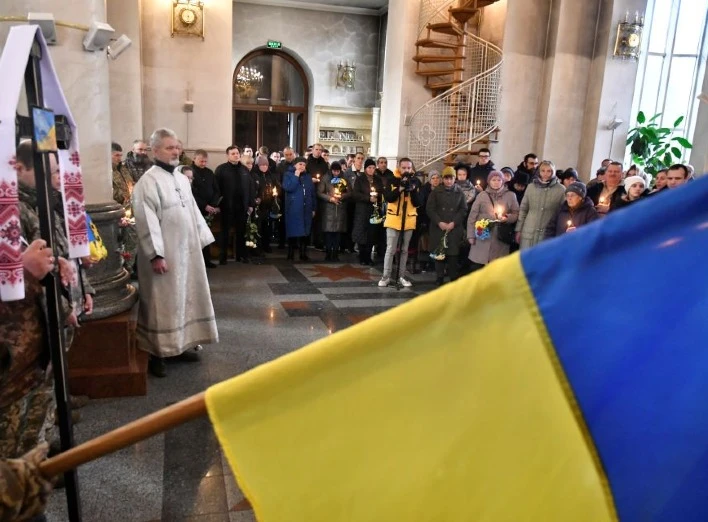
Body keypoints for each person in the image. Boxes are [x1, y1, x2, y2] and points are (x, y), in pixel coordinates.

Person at [132, 128, 218, 378]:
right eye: (170, 147)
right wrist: (156, 254)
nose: (176, 151)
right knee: (162, 304)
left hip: (186, 253)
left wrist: (201, 241)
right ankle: (157, 353)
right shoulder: (147, 182)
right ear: (155, 150)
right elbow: (146, 221)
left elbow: (191, 211)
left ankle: (179, 346)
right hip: (164, 257)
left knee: (184, 299)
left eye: (177, 147)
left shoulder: (181, 178)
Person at [378, 158, 421, 288]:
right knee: (390, 249)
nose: (406, 170)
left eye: (409, 168)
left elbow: (418, 202)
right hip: (393, 219)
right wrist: (400, 188)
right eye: (404, 168)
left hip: (408, 219)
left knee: (404, 250)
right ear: (399, 167)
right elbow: (389, 198)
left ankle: (401, 276)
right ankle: (386, 277)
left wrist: (412, 191)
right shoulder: (392, 180)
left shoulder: (416, 182)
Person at [467, 170, 519, 271]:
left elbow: (516, 213)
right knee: (479, 267)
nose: (496, 182)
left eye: (499, 180)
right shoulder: (482, 195)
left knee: (496, 268)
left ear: (503, 181)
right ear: (489, 181)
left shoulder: (510, 195)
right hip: (482, 236)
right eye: (493, 180)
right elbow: (472, 216)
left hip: (499, 237)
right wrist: (470, 235)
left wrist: (507, 218)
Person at [426, 168, 468, 286]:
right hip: (439, 227)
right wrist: (439, 222)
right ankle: (439, 276)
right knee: (440, 252)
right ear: (443, 179)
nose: (449, 181)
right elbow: (430, 209)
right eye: (446, 178)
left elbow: (463, 209)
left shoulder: (459, 192)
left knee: (453, 254)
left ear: (455, 179)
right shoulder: (435, 192)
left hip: (454, 228)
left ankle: (453, 276)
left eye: (451, 178)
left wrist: (454, 223)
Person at [215, 146, 255, 264]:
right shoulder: (221, 169)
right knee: (225, 232)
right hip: (227, 206)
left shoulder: (244, 169)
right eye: (233, 154)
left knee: (241, 232)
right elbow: (216, 188)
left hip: (242, 207)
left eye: (237, 153)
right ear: (227, 155)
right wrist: (217, 204)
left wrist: (250, 204)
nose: (236, 155)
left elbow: (250, 188)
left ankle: (241, 255)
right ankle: (223, 257)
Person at [515, 160, 565, 250]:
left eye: (549, 171)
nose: (545, 173)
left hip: (548, 232)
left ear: (553, 172)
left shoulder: (561, 190)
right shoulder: (531, 187)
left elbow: (563, 212)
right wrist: (519, 229)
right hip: (529, 231)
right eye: (543, 170)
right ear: (539, 171)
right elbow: (523, 209)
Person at [111, 142, 138, 275]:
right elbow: (109, 192)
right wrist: (122, 197)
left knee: (131, 241)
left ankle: (129, 267)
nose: (119, 158)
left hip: (129, 210)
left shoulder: (123, 169)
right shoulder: (106, 171)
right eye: (116, 155)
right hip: (116, 212)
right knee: (118, 243)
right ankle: (119, 270)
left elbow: (130, 184)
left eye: (120, 155)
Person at [190, 149, 221, 268]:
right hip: (197, 209)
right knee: (196, 237)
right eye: (201, 161)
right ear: (194, 159)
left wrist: (213, 205)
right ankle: (196, 263)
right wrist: (204, 205)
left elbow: (216, 190)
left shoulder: (209, 172)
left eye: (205, 161)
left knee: (206, 235)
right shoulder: (189, 172)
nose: (203, 163)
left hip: (209, 210)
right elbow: (191, 193)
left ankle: (206, 260)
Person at [283, 157, 317, 261]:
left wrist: (314, 208)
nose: (302, 166)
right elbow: (288, 187)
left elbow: (312, 193)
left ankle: (303, 253)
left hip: (307, 208)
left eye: (303, 164)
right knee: (293, 231)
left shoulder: (307, 177)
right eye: (300, 164)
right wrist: (296, 176)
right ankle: (290, 253)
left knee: (305, 231)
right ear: (295, 165)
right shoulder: (288, 175)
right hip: (294, 208)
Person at [352, 160, 385, 266]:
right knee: (362, 233)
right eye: (369, 167)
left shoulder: (378, 179)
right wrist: (368, 198)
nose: (371, 170)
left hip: (374, 210)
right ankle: (362, 256)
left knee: (372, 234)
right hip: (362, 210)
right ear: (365, 168)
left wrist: (377, 196)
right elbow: (355, 194)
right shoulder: (360, 179)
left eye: (373, 168)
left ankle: (369, 256)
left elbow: (381, 192)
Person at [317, 161, 351, 261]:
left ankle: (335, 253)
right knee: (329, 233)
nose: (336, 173)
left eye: (338, 171)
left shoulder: (343, 179)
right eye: (334, 171)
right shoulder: (325, 178)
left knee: (337, 233)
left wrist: (342, 196)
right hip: (329, 209)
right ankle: (328, 253)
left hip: (340, 208)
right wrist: (330, 198)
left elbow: (349, 192)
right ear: (331, 170)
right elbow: (319, 192)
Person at [253, 155, 278, 254]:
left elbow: (276, 186)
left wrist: (275, 193)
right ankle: (257, 247)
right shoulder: (255, 175)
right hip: (258, 205)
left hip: (268, 205)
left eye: (266, 165)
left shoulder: (270, 175)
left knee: (266, 227)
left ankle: (266, 245)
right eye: (262, 165)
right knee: (257, 227)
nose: (264, 167)